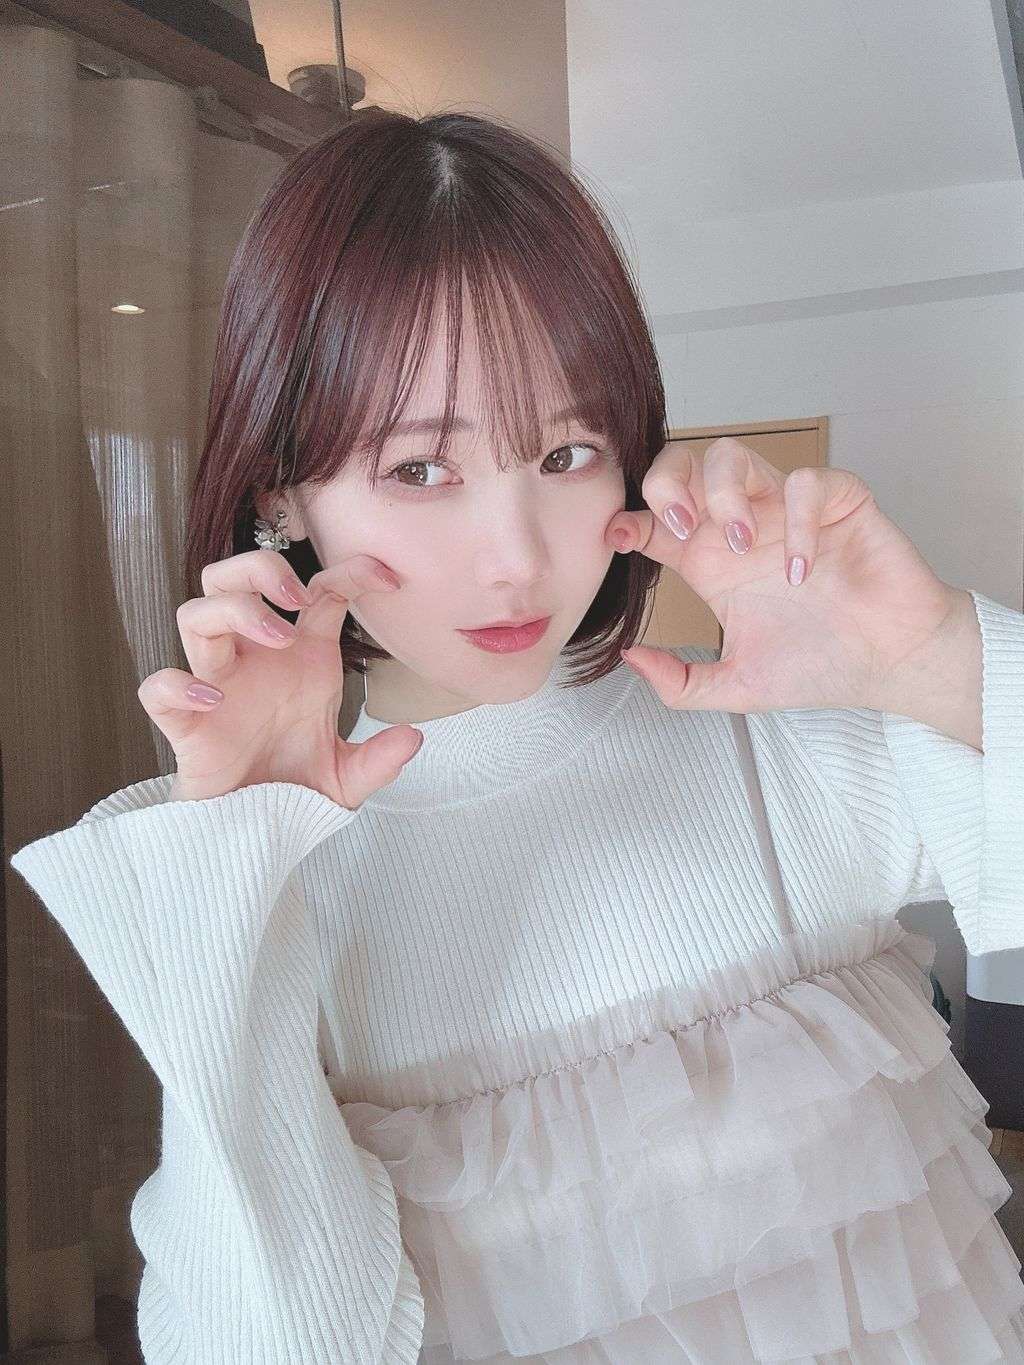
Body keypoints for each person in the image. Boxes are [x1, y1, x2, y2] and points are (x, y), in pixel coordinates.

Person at [8, 109, 1024, 1364]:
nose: (515, 559)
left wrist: (933, 661)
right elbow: (268, 1339)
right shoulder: (285, 885)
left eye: (565, 451)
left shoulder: (778, 749)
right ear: (283, 496)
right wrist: (238, 863)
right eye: (420, 471)